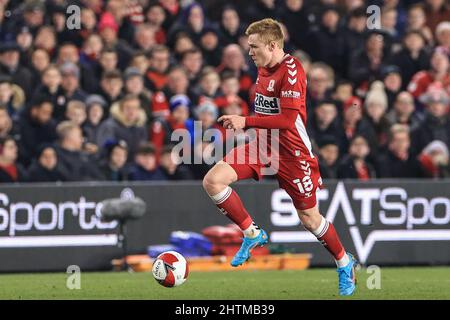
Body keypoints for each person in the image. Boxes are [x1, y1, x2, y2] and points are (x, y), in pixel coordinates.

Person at [202, 19, 357, 296]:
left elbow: (287, 120)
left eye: (254, 46)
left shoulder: (293, 71)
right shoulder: (262, 68)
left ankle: (344, 263)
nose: (249, 52)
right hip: (262, 145)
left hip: (293, 154)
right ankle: (252, 234)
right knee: (213, 181)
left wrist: (245, 120)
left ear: (273, 45)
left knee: (310, 219)